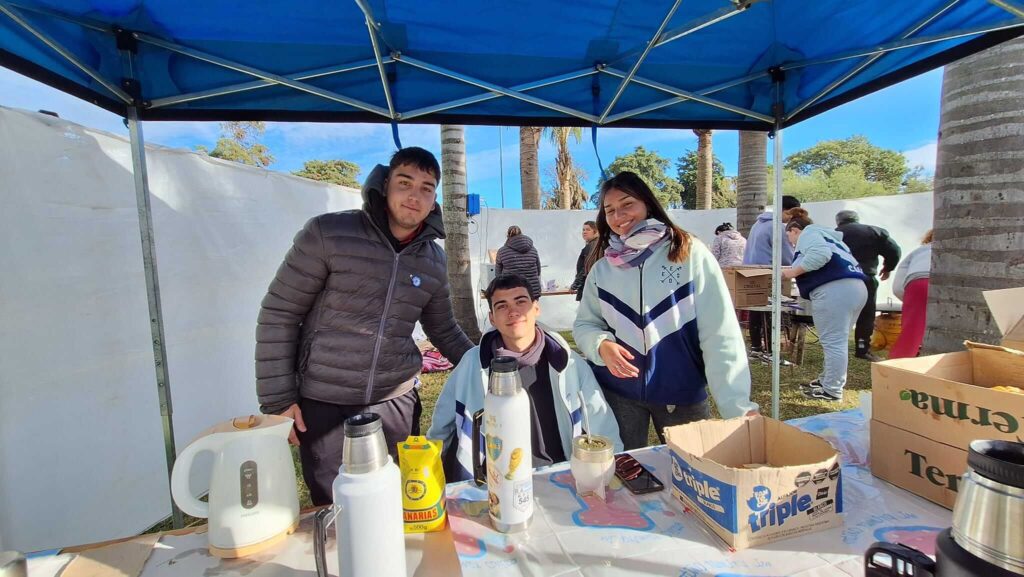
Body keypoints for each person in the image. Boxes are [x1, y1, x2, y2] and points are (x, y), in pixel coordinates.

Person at [255, 147, 474, 506]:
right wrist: (279, 399)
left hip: (395, 401)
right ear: (386, 184)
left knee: (398, 497)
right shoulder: (328, 234)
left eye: (426, 188)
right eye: (405, 183)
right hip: (323, 401)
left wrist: (486, 364)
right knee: (334, 503)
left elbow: (444, 329)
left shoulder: (433, 260)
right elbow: (280, 313)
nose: (414, 196)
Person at [573, 171, 757, 450]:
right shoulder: (602, 267)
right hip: (616, 392)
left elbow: (720, 333)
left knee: (696, 473)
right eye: (609, 210)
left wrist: (738, 407)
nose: (618, 215)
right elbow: (586, 324)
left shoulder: (689, 252)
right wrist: (601, 346)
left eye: (627, 204)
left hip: (681, 394)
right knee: (622, 475)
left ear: (647, 202)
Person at [428, 274, 623, 481]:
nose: (513, 312)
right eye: (501, 306)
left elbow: (601, 422)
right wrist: (428, 467)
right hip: (494, 481)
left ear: (536, 308)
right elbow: (443, 422)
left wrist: (614, 467)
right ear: (492, 318)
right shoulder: (472, 363)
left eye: (521, 301)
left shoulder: (569, 363)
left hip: (558, 474)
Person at [782, 209, 868, 402]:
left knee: (834, 342)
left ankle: (832, 389)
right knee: (838, 340)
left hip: (835, 290)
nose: (791, 243)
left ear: (795, 230)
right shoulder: (831, 238)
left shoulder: (810, 233)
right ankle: (827, 380)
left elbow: (820, 256)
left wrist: (792, 272)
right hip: (856, 288)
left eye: (789, 237)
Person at [835, 210, 902, 362]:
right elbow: (894, 251)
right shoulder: (875, 232)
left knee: (839, 314)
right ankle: (862, 348)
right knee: (866, 314)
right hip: (865, 277)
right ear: (857, 220)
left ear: (838, 222)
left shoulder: (833, 234)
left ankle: (836, 347)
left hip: (839, 278)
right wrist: (888, 267)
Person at [742, 196, 802, 360]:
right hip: (767, 273)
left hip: (750, 272)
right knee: (771, 310)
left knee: (755, 310)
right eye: (792, 215)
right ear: (787, 211)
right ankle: (770, 351)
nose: (793, 219)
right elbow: (787, 256)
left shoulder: (758, 223)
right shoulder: (778, 227)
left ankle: (756, 348)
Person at [889, 230, 933, 359]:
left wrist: (911, 301)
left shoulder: (919, 251)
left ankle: (897, 370)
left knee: (911, 334)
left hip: (918, 282)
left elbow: (897, 287)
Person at [495, 225, 542, 299]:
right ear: (521, 234)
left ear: (508, 236)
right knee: (531, 310)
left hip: (512, 292)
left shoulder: (502, 252)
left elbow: (498, 275)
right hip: (533, 291)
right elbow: (538, 271)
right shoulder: (533, 249)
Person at [570, 220, 598, 301]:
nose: (584, 232)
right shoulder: (593, 245)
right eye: (583, 230)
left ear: (595, 232)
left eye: (588, 230)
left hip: (588, 289)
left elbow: (585, 269)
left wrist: (575, 285)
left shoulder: (592, 246)